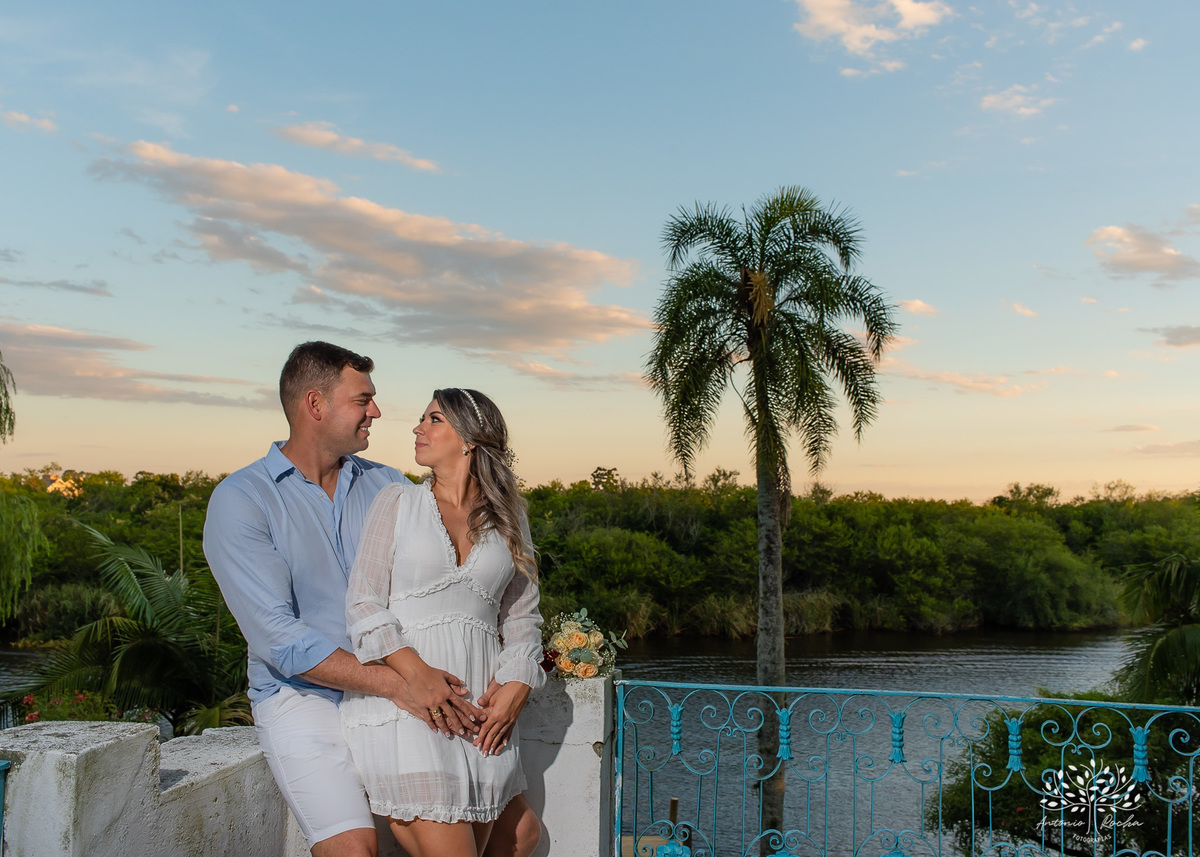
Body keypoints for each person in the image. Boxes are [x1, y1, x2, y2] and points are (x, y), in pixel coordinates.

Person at [203, 343, 539, 857]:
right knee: (355, 848)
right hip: (305, 696)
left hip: (415, 684)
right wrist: (399, 683)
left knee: (519, 832)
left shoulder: (387, 484)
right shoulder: (243, 498)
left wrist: (507, 673)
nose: (377, 412)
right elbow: (278, 638)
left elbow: (454, 580)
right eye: (363, 400)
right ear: (315, 405)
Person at [341, 388, 544, 857]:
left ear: (470, 438)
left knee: (522, 835)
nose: (417, 428)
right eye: (422, 419)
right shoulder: (396, 503)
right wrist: (417, 675)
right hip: (412, 707)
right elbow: (363, 603)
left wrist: (518, 682)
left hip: (478, 715)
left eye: (433, 419)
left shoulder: (509, 518)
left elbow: (522, 617)